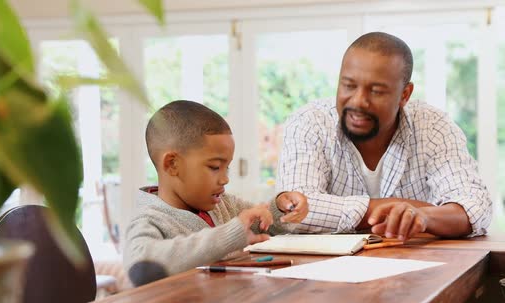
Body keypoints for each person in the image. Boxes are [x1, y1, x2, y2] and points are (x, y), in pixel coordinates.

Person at [277, 32, 491, 241]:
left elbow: (475, 208)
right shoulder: (309, 122)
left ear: (404, 95)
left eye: (377, 91)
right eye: (349, 85)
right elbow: (295, 212)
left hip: (416, 267)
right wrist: (390, 207)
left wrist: (423, 216)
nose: (359, 101)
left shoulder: (433, 127)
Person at [124, 100, 308, 286]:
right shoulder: (150, 220)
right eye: (214, 167)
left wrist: (280, 208)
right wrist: (228, 236)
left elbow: (260, 223)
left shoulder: (224, 205)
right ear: (172, 164)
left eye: (226, 168)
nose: (225, 179)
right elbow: (141, 267)